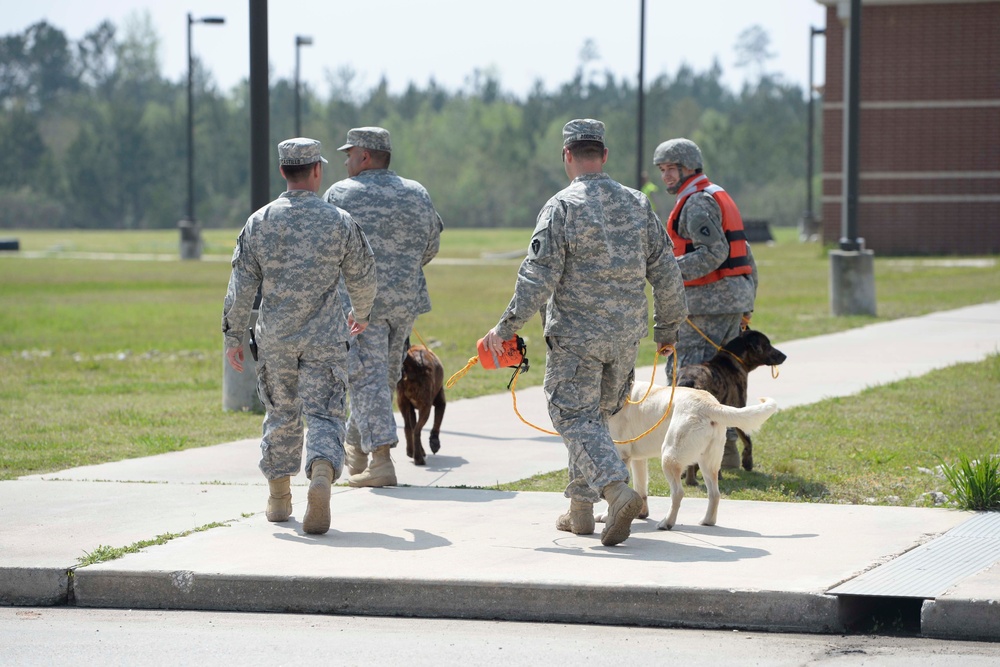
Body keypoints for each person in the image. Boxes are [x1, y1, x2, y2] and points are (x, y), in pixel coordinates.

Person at [481, 119, 687, 547]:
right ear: (605, 155)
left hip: (576, 337)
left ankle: (616, 491)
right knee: (594, 421)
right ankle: (579, 511)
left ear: (566, 156)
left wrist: (505, 329)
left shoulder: (561, 206)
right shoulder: (637, 203)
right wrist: (667, 328)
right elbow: (667, 270)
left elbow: (537, 278)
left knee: (572, 416)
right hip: (624, 338)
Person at [223, 137, 377, 535]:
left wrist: (232, 335)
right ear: (316, 171)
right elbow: (364, 275)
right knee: (325, 412)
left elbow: (240, 286)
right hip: (325, 336)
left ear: (282, 172)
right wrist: (361, 312)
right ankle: (322, 473)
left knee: (280, 412)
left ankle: (278, 498)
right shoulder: (338, 221)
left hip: (275, 337)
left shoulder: (259, 222)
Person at [323, 127, 443, 488]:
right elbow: (431, 244)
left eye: (349, 154)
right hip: (404, 300)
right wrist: (402, 268)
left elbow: (326, 246)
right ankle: (358, 451)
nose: (345, 161)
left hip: (361, 303)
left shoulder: (342, 194)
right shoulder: (416, 193)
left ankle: (380, 459)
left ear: (365, 156)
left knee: (366, 377)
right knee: (385, 375)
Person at [653, 137, 758, 469]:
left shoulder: (697, 203)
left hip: (707, 305)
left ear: (689, 168)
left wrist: (668, 271)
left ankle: (697, 457)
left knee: (690, 382)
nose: (666, 176)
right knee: (722, 380)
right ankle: (724, 453)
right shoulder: (714, 194)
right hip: (729, 300)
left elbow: (715, 253)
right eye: (662, 170)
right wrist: (747, 299)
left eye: (672, 169)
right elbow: (746, 254)